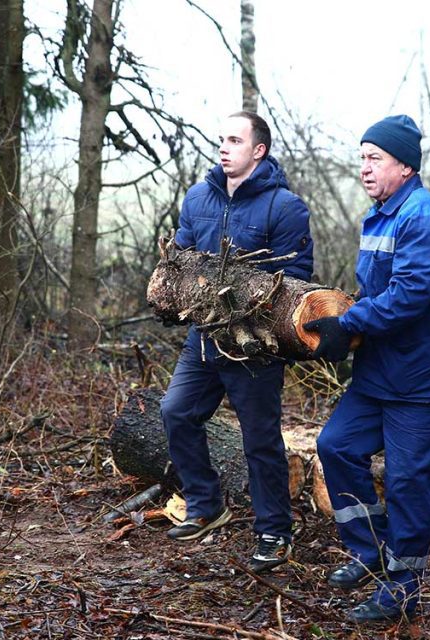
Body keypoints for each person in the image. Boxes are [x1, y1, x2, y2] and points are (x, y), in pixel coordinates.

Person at [304, 115, 430, 622]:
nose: (364, 167)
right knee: (337, 446)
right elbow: (380, 291)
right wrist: (347, 327)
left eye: (374, 158)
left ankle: (403, 588)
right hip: (384, 373)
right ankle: (370, 550)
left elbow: (410, 295)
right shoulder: (381, 213)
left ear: (404, 165)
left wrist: (349, 322)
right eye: (361, 157)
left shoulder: (421, 215)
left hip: (427, 380)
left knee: (408, 485)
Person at [159, 111, 312, 573]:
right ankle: (206, 505)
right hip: (203, 337)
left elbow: (297, 283)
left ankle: (273, 531)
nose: (223, 147)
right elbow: (182, 259)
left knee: (260, 439)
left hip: (254, 346)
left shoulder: (285, 207)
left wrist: (250, 307)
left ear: (258, 150)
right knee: (175, 412)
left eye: (234, 140)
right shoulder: (197, 197)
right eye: (221, 140)